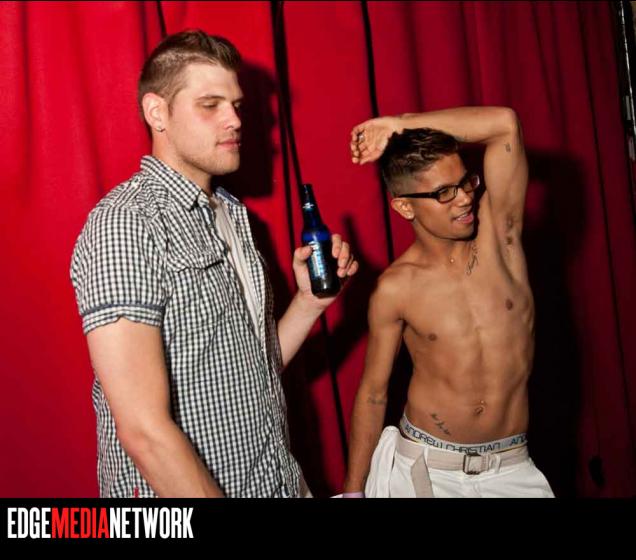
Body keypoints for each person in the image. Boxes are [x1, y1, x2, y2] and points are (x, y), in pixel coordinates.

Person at [69, 29, 357, 498]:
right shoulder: (126, 223)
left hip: (276, 483)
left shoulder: (232, 214)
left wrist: (309, 303)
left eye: (236, 105)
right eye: (210, 105)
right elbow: (144, 430)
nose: (235, 120)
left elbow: (253, 369)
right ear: (157, 112)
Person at [342, 107, 554, 498]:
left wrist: (400, 124)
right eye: (444, 193)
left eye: (466, 183)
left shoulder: (500, 237)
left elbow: (505, 124)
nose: (464, 199)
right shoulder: (396, 287)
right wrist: (354, 491)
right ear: (405, 206)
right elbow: (373, 393)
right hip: (427, 470)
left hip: (511, 467)